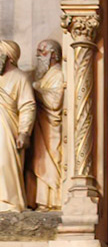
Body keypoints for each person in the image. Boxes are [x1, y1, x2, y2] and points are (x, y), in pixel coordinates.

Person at [28, 39, 65, 209]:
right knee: (40, 163)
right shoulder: (43, 75)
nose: (38, 55)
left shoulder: (57, 74)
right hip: (40, 128)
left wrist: (34, 88)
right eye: (38, 51)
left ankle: (54, 201)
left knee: (51, 162)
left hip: (51, 128)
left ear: (54, 55)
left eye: (42, 51)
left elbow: (54, 101)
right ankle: (42, 202)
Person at [0, 40, 35, 213]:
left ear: (8, 56)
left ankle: (10, 201)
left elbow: (28, 106)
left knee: (4, 163)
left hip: (8, 128)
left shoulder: (20, 78)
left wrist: (24, 132)